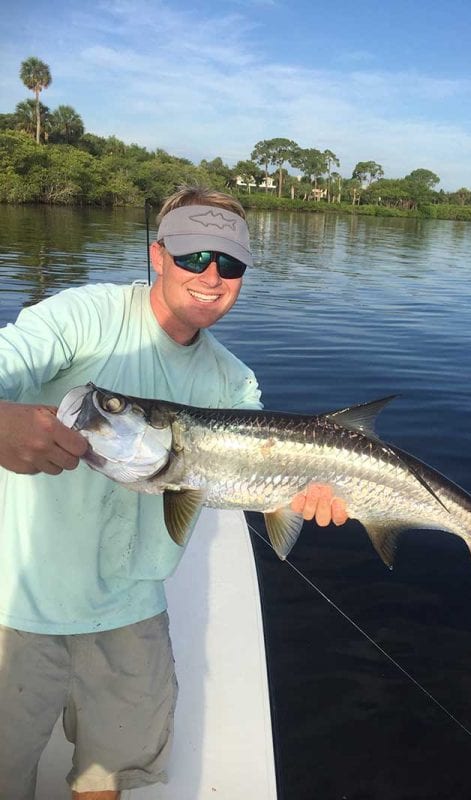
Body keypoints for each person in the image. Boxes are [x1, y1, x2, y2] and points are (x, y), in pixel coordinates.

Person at [0, 185, 347, 800]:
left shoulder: (233, 381)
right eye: (193, 257)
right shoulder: (82, 316)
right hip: (14, 604)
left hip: (133, 613)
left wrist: (300, 496)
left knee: (105, 781)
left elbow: (267, 485)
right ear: (156, 255)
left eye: (230, 263)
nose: (211, 276)